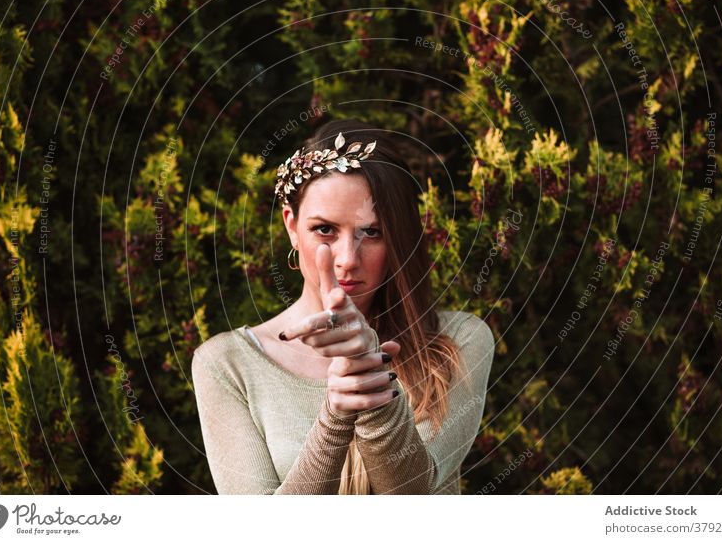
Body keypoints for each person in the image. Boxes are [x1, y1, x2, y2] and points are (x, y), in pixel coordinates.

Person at [191, 118, 496, 494]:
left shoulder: (458, 341)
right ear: (291, 225)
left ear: (397, 237)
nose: (348, 259)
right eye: (325, 230)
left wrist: (371, 378)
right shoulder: (228, 365)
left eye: (372, 232)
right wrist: (335, 418)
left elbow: (412, 500)